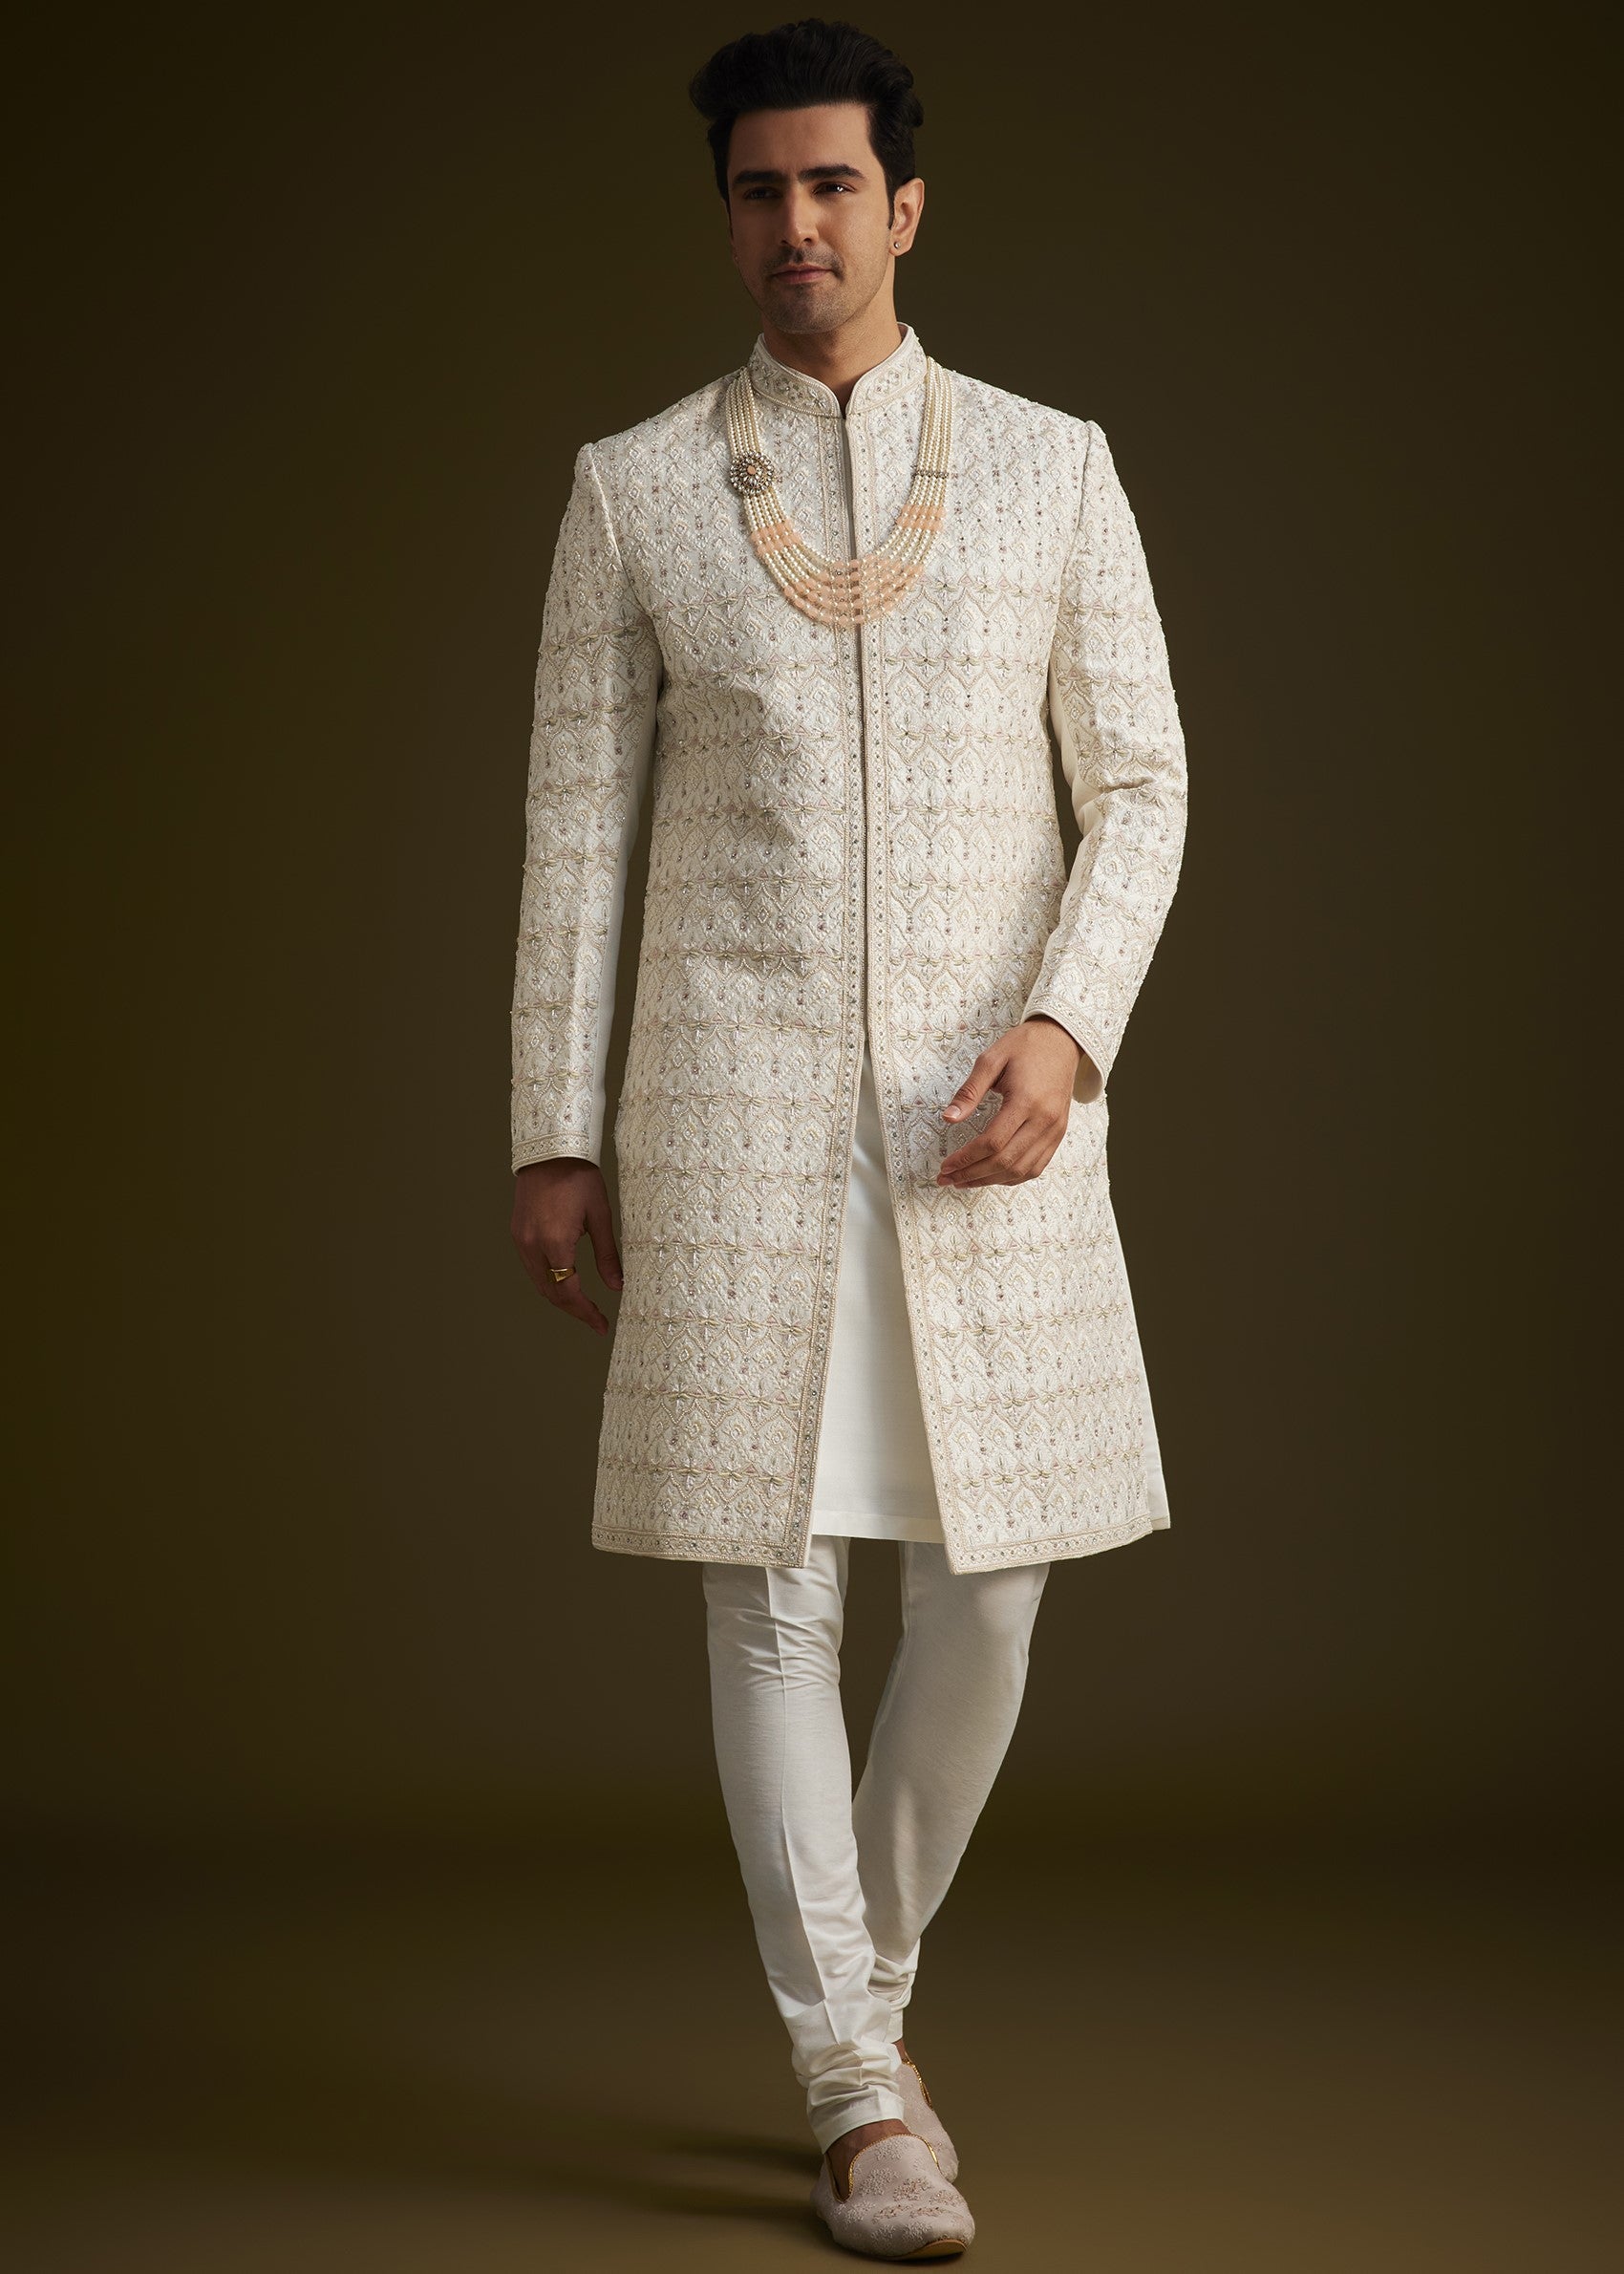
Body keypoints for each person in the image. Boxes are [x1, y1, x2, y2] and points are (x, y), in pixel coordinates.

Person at [508, 19, 1187, 2260]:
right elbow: (576, 830)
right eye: (754, 188)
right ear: (726, 213)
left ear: (904, 204)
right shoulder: (634, 489)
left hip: (984, 1121)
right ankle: (854, 2091)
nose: (791, 225)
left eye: (828, 185)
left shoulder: (1051, 467)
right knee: (769, 1584)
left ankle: (858, 2011)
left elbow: (1145, 781)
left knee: (989, 1586)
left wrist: (1069, 1028)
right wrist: (551, 1126)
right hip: (726, 1110)